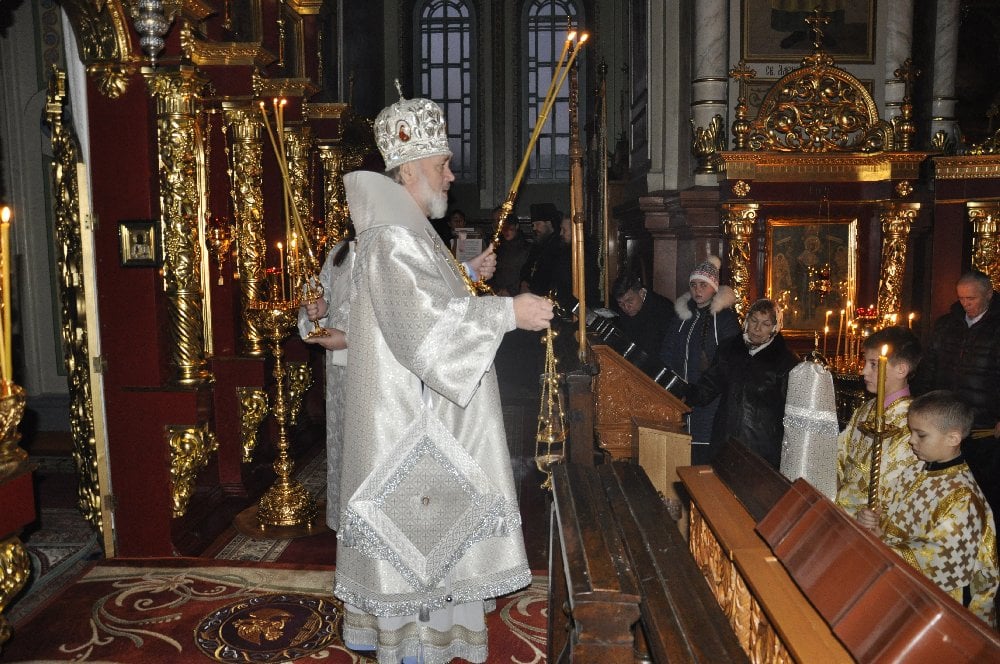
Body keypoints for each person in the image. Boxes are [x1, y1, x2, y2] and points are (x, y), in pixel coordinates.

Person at [336, 88, 553, 664]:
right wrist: (507, 313)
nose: (452, 176)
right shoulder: (391, 237)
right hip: (410, 424)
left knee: (431, 546)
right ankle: (415, 645)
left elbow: (428, 296)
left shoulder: (404, 231)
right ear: (409, 171)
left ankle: (426, 638)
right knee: (416, 547)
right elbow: (423, 330)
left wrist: (464, 273)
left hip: (419, 417)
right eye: (443, 165)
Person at [855, 390, 997, 627]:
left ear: (953, 438)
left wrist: (886, 545)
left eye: (921, 435)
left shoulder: (963, 497)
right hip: (894, 579)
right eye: (911, 432)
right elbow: (887, 508)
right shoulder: (916, 469)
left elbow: (944, 559)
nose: (911, 440)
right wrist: (872, 518)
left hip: (932, 604)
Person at [913, 269, 1000, 547]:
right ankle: (945, 539)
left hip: (984, 424)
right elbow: (930, 367)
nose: (965, 304)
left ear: (989, 294)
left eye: (971, 298)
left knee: (984, 487)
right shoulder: (947, 325)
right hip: (946, 420)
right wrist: (922, 403)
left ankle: (983, 543)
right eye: (961, 298)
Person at [686, 299, 799, 468]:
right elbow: (708, 387)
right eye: (754, 320)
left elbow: (791, 411)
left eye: (766, 324)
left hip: (761, 448)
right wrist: (682, 392)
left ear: (775, 328)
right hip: (725, 440)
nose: (757, 328)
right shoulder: (729, 349)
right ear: (746, 321)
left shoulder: (785, 361)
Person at [297, 227, 354, 532]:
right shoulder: (339, 252)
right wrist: (320, 308)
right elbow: (324, 297)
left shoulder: (392, 246)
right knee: (345, 441)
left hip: (378, 367)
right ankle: (347, 522)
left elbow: (399, 314)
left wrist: (350, 338)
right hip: (340, 370)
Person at [660, 256, 740, 463]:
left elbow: (728, 363)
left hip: (709, 401)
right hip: (679, 399)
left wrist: (702, 390)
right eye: (693, 285)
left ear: (714, 287)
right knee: (679, 457)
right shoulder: (682, 316)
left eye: (703, 285)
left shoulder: (724, 319)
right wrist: (670, 386)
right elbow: (667, 352)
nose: (697, 290)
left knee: (703, 457)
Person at [836, 326, 922, 519]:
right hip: (840, 512)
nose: (863, 371)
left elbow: (896, 489)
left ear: (901, 369)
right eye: (865, 362)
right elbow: (840, 455)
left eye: (874, 364)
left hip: (871, 524)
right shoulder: (866, 409)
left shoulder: (913, 422)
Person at [610, 271, 676, 358]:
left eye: (629, 301)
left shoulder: (663, 310)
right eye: (621, 303)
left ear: (642, 293)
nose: (626, 307)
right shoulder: (625, 308)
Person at [519, 202, 566, 297]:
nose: (534, 228)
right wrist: (524, 282)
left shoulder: (560, 246)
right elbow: (526, 268)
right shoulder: (537, 245)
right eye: (533, 225)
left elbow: (555, 277)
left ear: (549, 223)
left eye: (538, 224)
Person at [489, 209, 529, 296]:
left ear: (516, 226)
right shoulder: (497, 247)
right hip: (497, 293)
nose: (506, 231)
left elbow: (524, 275)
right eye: (504, 228)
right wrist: (496, 289)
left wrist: (510, 291)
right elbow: (491, 272)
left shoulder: (526, 248)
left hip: (516, 294)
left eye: (510, 228)